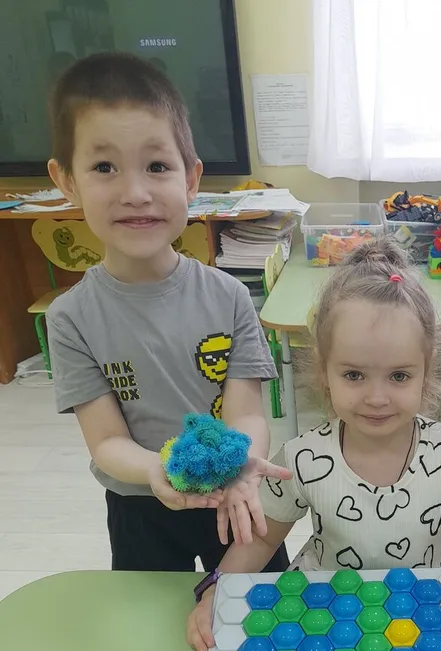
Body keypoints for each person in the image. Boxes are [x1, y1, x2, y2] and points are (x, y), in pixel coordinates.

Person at [187, 239, 441, 651]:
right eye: (354, 375)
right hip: (324, 621)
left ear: (426, 372)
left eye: (399, 376)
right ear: (324, 372)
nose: (377, 398)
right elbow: (260, 542)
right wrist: (215, 591)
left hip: (423, 620)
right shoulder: (302, 458)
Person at [45, 53, 290, 572]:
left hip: (234, 493)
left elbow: (246, 413)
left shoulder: (229, 295)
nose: (136, 194)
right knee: (152, 613)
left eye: (157, 166)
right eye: (104, 167)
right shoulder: (70, 318)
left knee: (256, 606)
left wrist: (242, 462)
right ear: (66, 180)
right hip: (139, 501)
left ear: (191, 179)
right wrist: (159, 470)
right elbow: (107, 440)